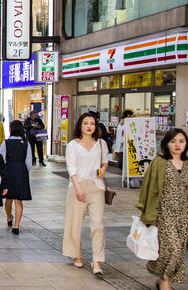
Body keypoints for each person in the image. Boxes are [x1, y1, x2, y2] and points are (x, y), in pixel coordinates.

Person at [138, 129, 188, 290]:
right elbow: (148, 188)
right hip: (163, 213)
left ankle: (162, 279)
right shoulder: (159, 162)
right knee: (172, 249)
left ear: (186, 143)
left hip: (183, 215)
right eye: (173, 141)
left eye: (181, 141)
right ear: (166, 143)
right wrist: (146, 214)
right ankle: (165, 285)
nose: (177, 145)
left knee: (177, 251)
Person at [62, 113, 109, 274]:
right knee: (74, 224)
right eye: (86, 123)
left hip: (97, 186)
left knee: (98, 225)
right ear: (80, 126)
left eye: (92, 124)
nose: (89, 126)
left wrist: (103, 170)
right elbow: (72, 169)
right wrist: (78, 189)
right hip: (77, 186)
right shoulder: (72, 145)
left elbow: (105, 161)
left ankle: (97, 260)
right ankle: (76, 255)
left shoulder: (101, 144)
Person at [0, 121, 32, 235]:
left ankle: (9, 217)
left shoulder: (6, 143)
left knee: (8, 197)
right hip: (21, 170)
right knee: (19, 200)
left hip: (8, 170)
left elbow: (1, 159)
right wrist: (24, 172)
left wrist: (2, 173)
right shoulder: (26, 144)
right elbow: (29, 162)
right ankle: (16, 225)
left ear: (10, 129)